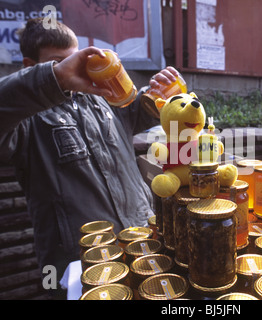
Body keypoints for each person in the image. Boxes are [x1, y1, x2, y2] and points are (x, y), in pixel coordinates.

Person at [0, 18, 180, 298]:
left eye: (74, 60)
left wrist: (157, 95)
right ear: (29, 66)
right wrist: (54, 80)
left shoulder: (100, 98)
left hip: (143, 242)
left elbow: (137, 110)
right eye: (58, 63)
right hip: (81, 263)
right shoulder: (26, 120)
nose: (72, 70)